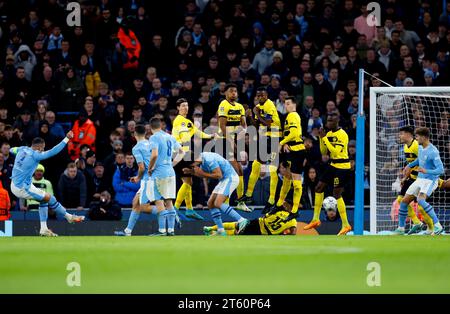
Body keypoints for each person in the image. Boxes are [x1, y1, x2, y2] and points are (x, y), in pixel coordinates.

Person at [9, 131, 84, 237]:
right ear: (39, 147)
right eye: (43, 148)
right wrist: (66, 139)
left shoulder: (22, 149)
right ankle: (69, 217)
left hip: (18, 183)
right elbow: (53, 151)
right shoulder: (35, 155)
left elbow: (12, 150)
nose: (43, 150)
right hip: (21, 187)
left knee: (44, 199)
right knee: (49, 198)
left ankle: (44, 229)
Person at [304, 113, 352, 235]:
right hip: (333, 164)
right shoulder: (328, 134)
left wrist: (324, 138)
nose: (328, 122)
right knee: (318, 188)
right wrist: (321, 138)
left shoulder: (342, 134)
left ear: (337, 121)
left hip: (342, 166)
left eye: (331, 121)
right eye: (328, 120)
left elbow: (335, 151)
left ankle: (346, 224)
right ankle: (315, 219)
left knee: (336, 193)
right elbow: (324, 152)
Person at [183, 152, 250, 236]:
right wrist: (191, 172)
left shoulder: (208, 159)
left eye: (192, 165)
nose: (193, 167)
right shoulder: (202, 160)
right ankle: (220, 230)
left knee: (218, 203)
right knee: (210, 203)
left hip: (230, 178)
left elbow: (218, 175)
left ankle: (242, 220)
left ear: (195, 160)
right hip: (224, 180)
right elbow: (205, 175)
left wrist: (200, 172)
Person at [237, 87, 281, 213]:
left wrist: (256, 113)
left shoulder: (269, 105)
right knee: (256, 164)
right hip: (265, 138)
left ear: (267, 95)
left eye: (262, 95)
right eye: (258, 95)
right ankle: (249, 195)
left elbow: (268, 123)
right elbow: (257, 125)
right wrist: (251, 117)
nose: (260, 97)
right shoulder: (258, 107)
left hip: (273, 138)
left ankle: (271, 200)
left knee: (272, 170)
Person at [172, 98, 215, 220]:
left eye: (186, 105)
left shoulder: (186, 121)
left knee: (188, 181)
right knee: (198, 165)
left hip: (182, 153)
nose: (185, 107)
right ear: (178, 108)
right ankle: (176, 208)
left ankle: (189, 209)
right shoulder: (179, 120)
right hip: (181, 153)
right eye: (183, 106)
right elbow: (185, 138)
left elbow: (198, 132)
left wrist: (211, 135)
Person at [396, 127, 444, 235]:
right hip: (419, 179)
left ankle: (438, 226)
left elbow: (441, 169)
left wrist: (426, 170)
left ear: (424, 137)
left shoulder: (433, 151)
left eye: (417, 137)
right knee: (404, 201)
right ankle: (401, 228)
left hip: (430, 180)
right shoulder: (421, 147)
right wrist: (409, 165)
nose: (416, 139)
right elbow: (419, 159)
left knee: (421, 200)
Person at [114, 124, 157, 236]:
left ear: (135, 134)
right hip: (156, 176)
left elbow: (142, 167)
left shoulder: (137, 148)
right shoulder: (151, 143)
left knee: (145, 205)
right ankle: (128, 231)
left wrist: (138, 177)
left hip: (148, 179)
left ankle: (170, 214)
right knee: (136, 203)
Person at [148, 117, 185, 236]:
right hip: (170, 171)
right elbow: (182, 152)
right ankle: (171, 230)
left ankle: (162, 230)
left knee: (159, 201)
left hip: (159, 172)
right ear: (161, 126)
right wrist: (172, 164)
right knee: (169, 202)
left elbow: (154, 155)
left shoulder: (154, 137)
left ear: (150, 127)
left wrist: (150, 168)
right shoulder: (169, 136)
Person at [271, 96, 306, 221]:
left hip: (297, 151)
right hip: (290, 149)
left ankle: (295, 210)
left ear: (294, 104)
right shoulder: (289, 116)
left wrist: (281, 143)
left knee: (296, 182)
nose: (286, 106)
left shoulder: (293, 115)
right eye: (285, 104)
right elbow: (290, 134)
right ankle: (279, 204)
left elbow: (295, 134)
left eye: (288, 103)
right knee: (286, 177)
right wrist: (285, 143)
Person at [216, 83, 247, 206]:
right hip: (224, 141)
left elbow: (243, 125)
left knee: (238, 171)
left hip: (234, 141)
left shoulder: (240, 107)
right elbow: (222, 126)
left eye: (235, 91)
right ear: (226, 93)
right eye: (231, 91)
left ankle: (236, 201)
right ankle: (230, 201)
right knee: (235, 170)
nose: (233, 93)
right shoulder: (223, 105)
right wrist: (230, 141)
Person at [203, 199, 297, 236]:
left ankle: (211, 229)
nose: (284, 205)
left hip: (258, 223)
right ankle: (212, 233)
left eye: (286, 204)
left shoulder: (279, 211)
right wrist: (282, 233)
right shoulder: (293, 221)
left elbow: (266, 216)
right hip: (262, 231)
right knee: (236, 231)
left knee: (236, 225)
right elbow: (293, 233)